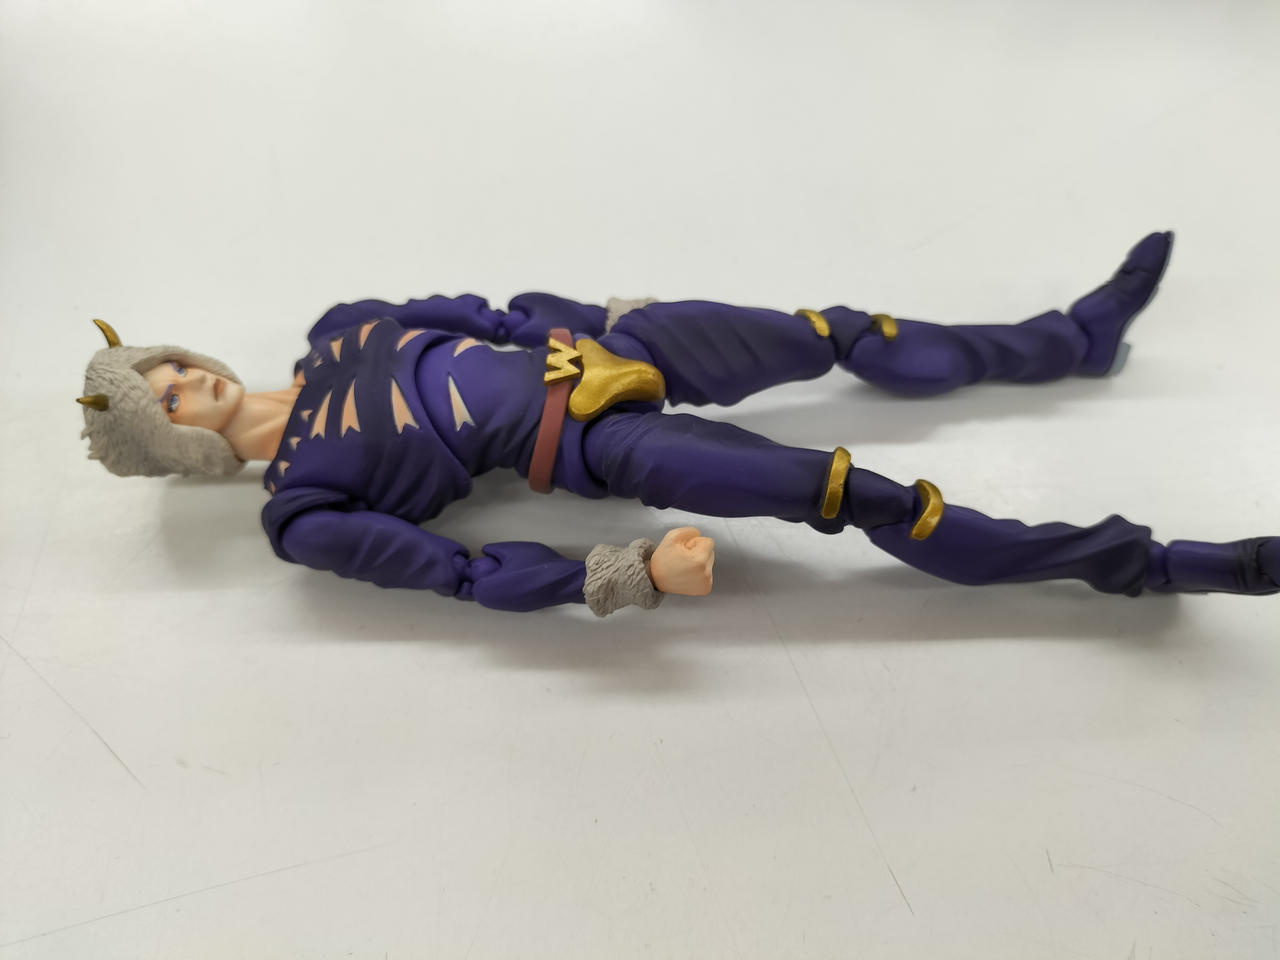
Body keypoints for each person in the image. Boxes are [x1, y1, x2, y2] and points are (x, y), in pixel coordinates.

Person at [78, 231, 1280, 615]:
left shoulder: (340, 328)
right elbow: (459, 572)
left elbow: (489, 313)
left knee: (835, 329)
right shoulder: (301, 508)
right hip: (593, 448)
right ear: (169, 446)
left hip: (615, 350)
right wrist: (626, 573)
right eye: (158, 400)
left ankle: (1069, 341)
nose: (179, 381)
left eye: (165, 364)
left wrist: (601, 319)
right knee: (851, 494)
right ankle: (1143, 564)